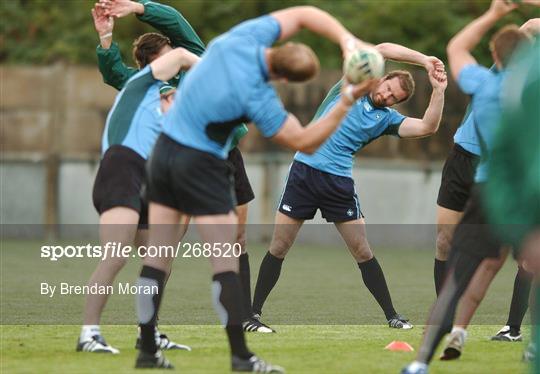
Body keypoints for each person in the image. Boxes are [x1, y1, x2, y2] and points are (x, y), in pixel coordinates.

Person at [136, 5, 379, 371]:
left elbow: (305, 12)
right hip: (200, 165)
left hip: (162, 155)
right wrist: (346, 99)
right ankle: (241, 357)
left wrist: (347, 40)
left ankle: (147, 350)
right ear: (283, 78)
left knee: (156, 258)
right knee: (225, 261)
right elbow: (304, 140)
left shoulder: (239, 39)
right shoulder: (258, 95)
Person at [251, 44, 447, 330]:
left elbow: (428, 126)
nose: (387, 95)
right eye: (388, 88)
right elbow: (380, 49)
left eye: (394, 97)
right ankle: (253, 314)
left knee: (362, 250)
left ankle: (392, 315)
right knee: (279, 246)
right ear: (381, 79)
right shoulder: (352, 84)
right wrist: (424, 60)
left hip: (338, 183)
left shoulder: (387, 120)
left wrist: (438, 90)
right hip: (304, 173)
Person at [401, 1, 531, 373]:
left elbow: (456, 48)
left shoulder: (486, 86)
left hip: (490, 187)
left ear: (495, 55)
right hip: (524, 190)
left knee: (462, 269)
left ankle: (421, 362)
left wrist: (494, 12)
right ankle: (464, 330)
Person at [76, 34, 199, 356]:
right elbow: (185, 55)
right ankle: (89, 334)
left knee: (160, 260)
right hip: (121, 167)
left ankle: (149, 333)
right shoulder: (141, 82)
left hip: (145, 177)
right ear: (153, 60)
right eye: (167, 55)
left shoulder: (162, 108)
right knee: (115, 255)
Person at [438, 18, 540, 360]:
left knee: (522, 257)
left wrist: (497, 12)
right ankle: (452, 327)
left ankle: (514, 330)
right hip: (467, 161)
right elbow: (530, 25)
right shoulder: (490, 76)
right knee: (451, 244)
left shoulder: (527, 83)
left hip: (505, 175)